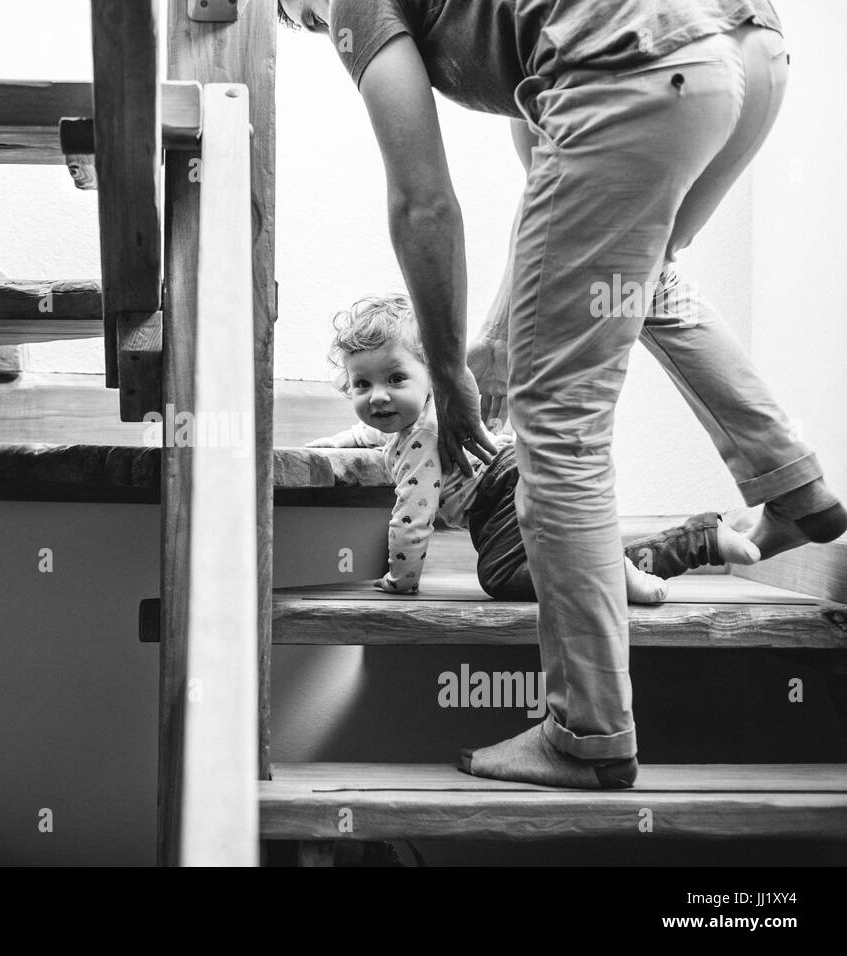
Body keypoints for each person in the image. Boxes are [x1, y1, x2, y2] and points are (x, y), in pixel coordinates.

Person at [277, 0, 846, 789]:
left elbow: (423, 201)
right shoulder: (531, 68)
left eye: (292, 16)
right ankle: (791, 482)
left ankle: (587, 732)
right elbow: (553, 231)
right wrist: (490, 343)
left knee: (558, 421)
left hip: (644, 65)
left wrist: (450, 373)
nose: (308, 26)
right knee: (637, 281)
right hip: (747, 53)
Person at [307, 293, 760, 603]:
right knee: (567, 561)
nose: (378, 396)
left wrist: (402, 579)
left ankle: (612, 574)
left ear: (433, 376)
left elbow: (412, 516)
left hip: (502, 498)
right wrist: (331, 446)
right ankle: (699, 541)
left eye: (395, 379)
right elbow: (370, 435)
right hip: (526, 471)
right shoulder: (413, 421)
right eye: (362, 384)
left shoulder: (423, 441)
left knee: (501, 577)